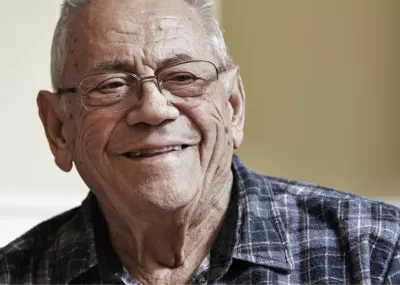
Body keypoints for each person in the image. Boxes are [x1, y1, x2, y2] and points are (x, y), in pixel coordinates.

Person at [1, 0, 399, 284]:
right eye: (111, 85)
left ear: (233, 106)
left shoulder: (377, 255)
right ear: (57, 129)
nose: (154, 109)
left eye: (184, 77)